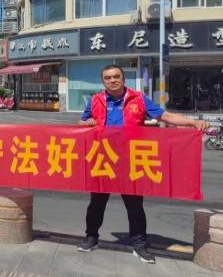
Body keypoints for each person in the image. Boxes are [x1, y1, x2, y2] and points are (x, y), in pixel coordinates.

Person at [77, 64, 208, 264]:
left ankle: (139, 245)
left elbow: (165, 116)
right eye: (108, 78)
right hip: (104, 160)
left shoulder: (138, 99)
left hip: (131, 160)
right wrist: (86, 123)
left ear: (123, 79)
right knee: (96, 204)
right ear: (103, 81)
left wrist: (192, 123)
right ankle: (91, 237)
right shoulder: (96, 100)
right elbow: (81, 122)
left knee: (135, 206)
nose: (112, 80)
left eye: (116, 76)